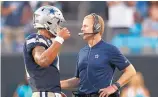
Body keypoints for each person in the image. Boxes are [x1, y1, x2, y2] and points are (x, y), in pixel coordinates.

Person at [60, 13, 136, 97]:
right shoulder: (82, 52)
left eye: (85, 26)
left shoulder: (110, 49)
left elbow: (131, 71)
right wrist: (56, 84)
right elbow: (78, 80)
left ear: (97, 27)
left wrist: (114, 87)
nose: (82, 29)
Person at [23, 5, 70, 97]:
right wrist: (60, 39)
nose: (59, 26)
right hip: (43, 94)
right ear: (49, 23)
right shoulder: (36, 39)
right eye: (57, 23)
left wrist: (55, 92)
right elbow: (42, 60)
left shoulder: (47, 42)